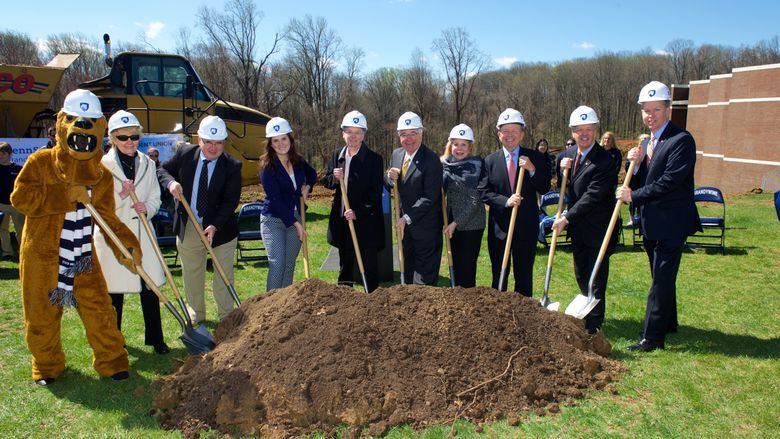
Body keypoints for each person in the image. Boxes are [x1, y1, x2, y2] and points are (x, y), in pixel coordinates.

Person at [617, 81, 701, 352]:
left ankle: (652, 338)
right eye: (645, 110)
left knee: (660, 279)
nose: (650, 115)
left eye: (656, 110)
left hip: (672, 222)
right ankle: (669, 322)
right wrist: (638, 164)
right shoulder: (647, 142)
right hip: (652, 222)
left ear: (668, 110)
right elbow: (646, 178)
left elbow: (669, 181)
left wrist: (634, 196)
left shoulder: (681, 140)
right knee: (660, 275)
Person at [93, 111, 169, 354]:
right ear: (112, 138)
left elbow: (156, 196)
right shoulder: (102, 167)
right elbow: (95, 205)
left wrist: (148, 207)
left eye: (134, 137)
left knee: (150, 288)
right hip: (114, 236)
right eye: (123, 137)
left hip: (142, 233)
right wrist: (122, 195)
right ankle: (115, 340)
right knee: (114, 291)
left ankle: (156, 339)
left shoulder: (147, 162)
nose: (129, 142)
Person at [158, 115, 242, 323]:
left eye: (218, 143)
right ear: (199, 140)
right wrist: (170, 184)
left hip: (220, 229)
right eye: (208, 142)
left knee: (223, 276)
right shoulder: (185, 154)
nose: (213, 148)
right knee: (192, 274)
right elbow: (162, 170)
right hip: (189, 225)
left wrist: (214, 225)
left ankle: (226, 316)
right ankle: (196, 313)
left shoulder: (232, 166)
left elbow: (230, 201)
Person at [552, 106, 618, 334]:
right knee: (581, 273)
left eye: (588, 129)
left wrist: (567, 218)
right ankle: (586, 312)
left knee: (596, 276)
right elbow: (565, 188)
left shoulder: (605, 160)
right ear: (572, 132)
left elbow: (593, 195)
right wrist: (562, 173)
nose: (584, 134)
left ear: (596, 130)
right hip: (578, 229)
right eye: (579, 130)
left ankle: (594, 326)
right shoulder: (567, 157)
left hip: (599, 228)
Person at [479, 108, 550, 295]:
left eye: (515, 131)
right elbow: (483, 192)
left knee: (524, 274)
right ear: (498, 134)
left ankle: (524, 316)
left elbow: (544, 187)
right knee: (499, 274)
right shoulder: (490, 161)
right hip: (500, 228)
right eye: (505, 131)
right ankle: (499, 316)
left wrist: (532, 169)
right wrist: (505, 201)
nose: (510, 135)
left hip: (526, 226)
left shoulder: (534, 157)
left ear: (522, 134)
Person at [323, 111, 385, 292]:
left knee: (368, 265)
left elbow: (375, 194)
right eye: (349, 131)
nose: (353, 136)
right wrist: (334, 178)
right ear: (343, 134)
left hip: (366, 221)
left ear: (364, 135)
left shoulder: (374, 159)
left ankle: (372, 301)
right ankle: (344, 300)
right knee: (345, 264)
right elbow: (327, 182)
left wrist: (358, 211)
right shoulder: (337, 155)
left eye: (358, 132)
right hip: (343, 221)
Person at [385, 111, 443, 285]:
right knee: (407, 275)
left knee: (423, 281)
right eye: (404, 134)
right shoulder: (396, 155)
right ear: (398, 136)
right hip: (404, 229)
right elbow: (389, 182)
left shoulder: (431, 159)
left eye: (413, 134)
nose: (408, 139)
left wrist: (407, 218)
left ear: (421, 134)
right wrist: (389, 176)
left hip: (425, 228)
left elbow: (429, 196)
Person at [259, 117, 317, 291]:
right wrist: (296, 223)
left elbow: (312, 174)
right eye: (275, 140)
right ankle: (270, 307)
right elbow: (275, 199)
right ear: (270, 143)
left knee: (289, 264)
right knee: (278, 263)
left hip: (296, 216)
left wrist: (308, 187)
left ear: (290, 139)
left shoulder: (298, 161)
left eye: (283, 138)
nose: (280, 144)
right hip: (274, 220)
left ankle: (283, 308)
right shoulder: (267, 167)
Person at [441, 124, 485, 288]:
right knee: (455, 266)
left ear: (470, 147)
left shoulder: (475, 167)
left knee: (466, 269)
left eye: (464, 144)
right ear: (450, 145)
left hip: (470, 225)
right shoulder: (446, 165)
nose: (459, 148)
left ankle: (469, 304)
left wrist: (455, 223)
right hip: (452, 221)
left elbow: (475, 201)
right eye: (455, 144)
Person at [0, 142, 25, 260]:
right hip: (1, 205)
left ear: (9, 154)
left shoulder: (18, 169)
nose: (1, 156)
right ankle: (7, 253)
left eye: (3, 153)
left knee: (20, 229)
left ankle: (22, 251)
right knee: (3, 229)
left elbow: (24, 186)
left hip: (16, 204)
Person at [626, 133, 650, 226]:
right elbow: (628, 167)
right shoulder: (634, 152)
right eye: (642, 139)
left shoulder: (652, 153)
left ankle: (641, 220)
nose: (644, 141)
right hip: (634, 184)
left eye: (647, 139)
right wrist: (635, 164)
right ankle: (632, 220)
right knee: (632, 204)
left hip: (646, 186)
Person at [147, 147, 173, 212]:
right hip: (148, 198)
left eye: (156, 156)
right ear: (147, 156)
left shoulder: (161, 167)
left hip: (161, 197)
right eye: (151, 155)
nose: (153, 157)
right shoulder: (143, 167)